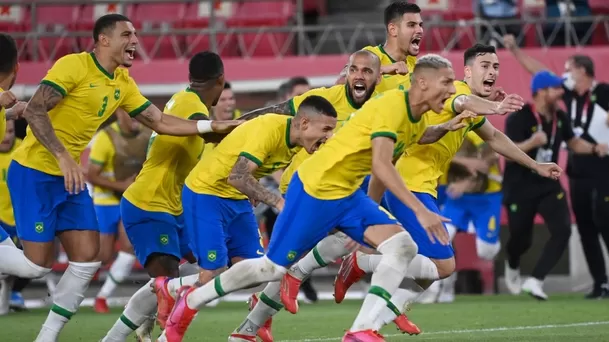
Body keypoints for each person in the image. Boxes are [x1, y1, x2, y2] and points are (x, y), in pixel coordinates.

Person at [158, 54, 479, 342]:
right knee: (270, 270)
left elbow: (382, 167)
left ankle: (360, 329)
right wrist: (420, 211)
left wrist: (371, 219)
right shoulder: (389, 106)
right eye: (448, 82)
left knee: (403, 245)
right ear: (421, 82)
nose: (453, 90)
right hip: (315, 190)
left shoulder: (417, 118)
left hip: (348, 194)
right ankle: (190, 299)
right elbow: (381, 165)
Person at [0, 14, 240, 341]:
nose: (135, 41)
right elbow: (36, 110)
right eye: (127, 34)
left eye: (136, 34)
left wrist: (210, 127)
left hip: (67, 179)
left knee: (87, 261)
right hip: (34, 171)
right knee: (37, 266)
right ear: (103, 40)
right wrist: (64, 157)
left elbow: (159, 120)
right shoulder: (73, 65)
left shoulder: (122, 83)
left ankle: (46, 337)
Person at [279, 44, 530, 335]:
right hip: (405, 184)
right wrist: (496, 107)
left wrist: (534, 164)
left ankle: (380, 312)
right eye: (486, 66)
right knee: (438, 264)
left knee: (392, 247)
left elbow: (490, 135)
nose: (492, 72)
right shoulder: (452, 93)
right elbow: (461, 101)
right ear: (466, 71)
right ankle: (363, 310)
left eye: (496, 67)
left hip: (400, 180)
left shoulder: (429, 104)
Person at [228, 49, 382, 342]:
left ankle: (252, 323)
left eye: (367, 71)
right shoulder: (326, 98)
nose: (359, 76)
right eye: (354, 70)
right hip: (304, 187)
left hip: (338, 189)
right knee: (284, 263)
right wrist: (227, 127)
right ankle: (192, 296)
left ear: (378, 77)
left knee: (303, 257)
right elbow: (275, 112)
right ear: (346, 72)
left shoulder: (379, 107)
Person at [154, 95, 338, 338]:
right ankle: (170, 325)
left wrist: (255, 187)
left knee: (254, 273)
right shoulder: (270, 129)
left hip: (236, 199)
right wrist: (278, 202)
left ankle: (170, 288)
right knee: (213, 272)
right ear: (304, 124)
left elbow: (248, 170)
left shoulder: (294, 142)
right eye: (326, 129)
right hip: (206, 192)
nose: (329, 136)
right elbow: (238, 176)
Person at [101, 51, 226, 342]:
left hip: (172, 208)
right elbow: (211, 134)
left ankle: (143, 317)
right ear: (220, 79)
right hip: (149, 204)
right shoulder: (190, 104)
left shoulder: (186, 100)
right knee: (168, 285)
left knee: (210, 265)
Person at [504, 34, 609, 298]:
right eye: (555, 86)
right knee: (528, 237)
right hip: (543, 179)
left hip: (572, 175)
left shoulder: (586, 101)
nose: (562, 86)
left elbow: (573, 142)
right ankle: (515, 264)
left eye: (568, 71)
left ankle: (537, 280)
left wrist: (597, 147)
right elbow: (507, 151)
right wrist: (516, 51)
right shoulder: (524, 114)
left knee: (580, 226)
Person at [88, 110, 150, 314]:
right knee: (103, 255)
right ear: (119, 114)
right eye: (130, 114)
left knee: (128, 246)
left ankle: (103, 297)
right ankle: (68, 294)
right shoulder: (105, 138)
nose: (135, 119)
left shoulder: (147, 135)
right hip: (105, 202)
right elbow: (91, 175)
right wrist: (120, 185)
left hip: (129, 201)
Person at [434, 130, 503, 303]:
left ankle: (492, 240)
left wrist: (466, 181)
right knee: (443, 237)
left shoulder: (474, 130)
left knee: (486, 251)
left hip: (486, 196)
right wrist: (459, 160)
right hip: (456, 197)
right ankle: (446, 284)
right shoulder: (437, 129)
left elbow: (488, 159)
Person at [336, 1, 422, 92]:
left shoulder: (413, 62)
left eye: (420, 25)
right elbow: (341, 81)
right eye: (411, 25)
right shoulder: (371, 55)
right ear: (393, 30)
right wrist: (381, 70)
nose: (420, 30)